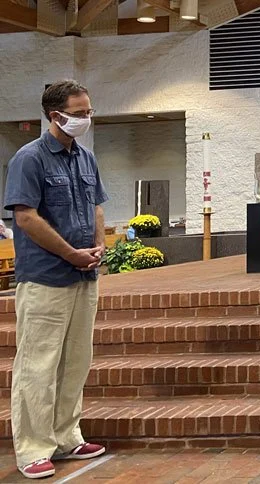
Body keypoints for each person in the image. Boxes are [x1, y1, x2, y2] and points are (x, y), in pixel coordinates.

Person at [3, 80, 108, 479]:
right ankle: (33, 448)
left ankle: (67, 437)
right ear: (56, 115)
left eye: (89, 111)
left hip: (85, 276)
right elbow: (26, 218)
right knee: (38, 365)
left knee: (76, 362)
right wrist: (70, 253)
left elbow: (97, 205)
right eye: (80, 113)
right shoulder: (29, 159)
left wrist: (97, 247)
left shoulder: (86, 158)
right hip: (46, 278)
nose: (86, 118)